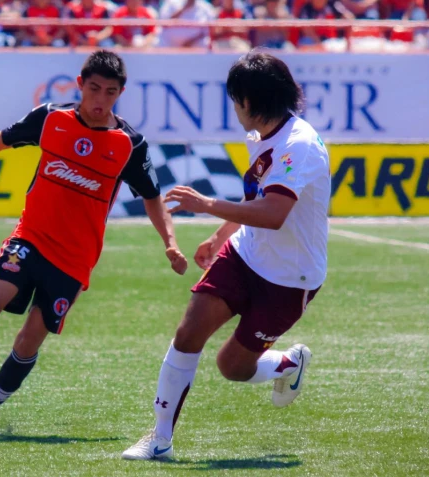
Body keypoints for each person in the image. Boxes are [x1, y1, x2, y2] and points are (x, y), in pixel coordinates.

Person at [0, 51, 189, 435]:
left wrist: (169, 242)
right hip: (30, 238)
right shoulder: (51, 118)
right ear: (80, 84)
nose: (100, 100)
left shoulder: (129, 145)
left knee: (30, 338)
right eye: (93, 89)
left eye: (109, 92)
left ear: (120, 93)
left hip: (73, 260)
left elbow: (152, 196)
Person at [122, 51, 330, 460]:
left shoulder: (299, 145)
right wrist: (221, 236)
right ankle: (159, 438)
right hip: (245, 254)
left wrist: (207, 205)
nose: (234, 109)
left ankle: (288, 364)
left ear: (249, 102)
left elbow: (273, 213)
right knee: (188, 332)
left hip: (290, 278)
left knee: (232, 367)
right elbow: (256, 195)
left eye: (235, 100)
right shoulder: (266, 133)